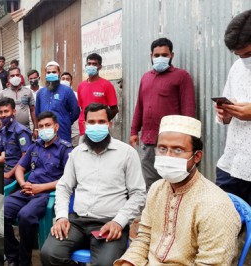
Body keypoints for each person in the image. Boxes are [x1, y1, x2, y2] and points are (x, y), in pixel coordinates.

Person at [114, 115, 241, 265]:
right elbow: (144, 237)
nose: (168, 156)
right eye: (162, 148)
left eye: (178, 150)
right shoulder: (157, 189)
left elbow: (211, 263)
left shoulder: (216, 206)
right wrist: (128, 262)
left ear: (197, 156)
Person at [41, 103, 146, 266]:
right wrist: (61, 216)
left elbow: (139, 194)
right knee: (50, 253)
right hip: (77, 222)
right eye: (91, 122)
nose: (96, 126)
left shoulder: (127, 153)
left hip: (109, 223)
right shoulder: (76, 154)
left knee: (105, 263)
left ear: (109, 124)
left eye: (101, 122)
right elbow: (64, 187)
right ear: (84, 124)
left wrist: (119, 221)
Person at [4, 111, 73, 266]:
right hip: (26, 190)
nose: (43, 129)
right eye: (40, 126)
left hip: (47, 194)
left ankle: (24, 260)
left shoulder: (65, 149)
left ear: (56, 127)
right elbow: (20, 169)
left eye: (47, 125)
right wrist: (22, 183)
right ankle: (12, 255)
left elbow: (68, 179)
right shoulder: (35, 147)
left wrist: (40, 188)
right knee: (0, 212)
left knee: (25, 216)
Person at [130, 37, 196, 190]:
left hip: (172, 143)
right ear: (151, 56)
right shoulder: (146, 77)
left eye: (164, 55)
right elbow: (140, 106)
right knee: (150, 183)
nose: (160, 58)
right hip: (148, 140)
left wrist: (187, 139)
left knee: (174, 181)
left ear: (171, 55)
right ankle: (154, 211)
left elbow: (188, 109)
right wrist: (134, 131)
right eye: (157, 55)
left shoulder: (181, 76)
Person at [214, 10, 251, 205]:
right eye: (239, 55)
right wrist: (225, 114)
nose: (245, 60)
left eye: (249, 54)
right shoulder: (237, 68)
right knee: (224, 226)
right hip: (232, 165)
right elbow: (225, 113)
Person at [77, 53, 118, 143]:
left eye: (94, 64)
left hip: (100, 131)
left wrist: (102, 122)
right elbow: (82, 107)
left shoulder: (107, 85)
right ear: (86, 65)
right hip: (84, 130)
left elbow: (114, 109)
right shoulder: (81, 86)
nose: (91, 66)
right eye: (89, 63)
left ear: (100, 67)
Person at [35, 61, 80, 143]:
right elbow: (37, 113)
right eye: (48, 72)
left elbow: (75, 112)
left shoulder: (67, 91)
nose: (51, 74)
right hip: (45, 132)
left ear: (59, 73)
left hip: (62, 132)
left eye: (54, 72)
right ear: (45, 74)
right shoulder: (40, 93)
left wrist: (65, 120)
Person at [0, 67, 38, 136]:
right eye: (12, 76)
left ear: (20, 76)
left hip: (25, 129)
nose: (15, 77)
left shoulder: (28, 92)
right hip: (8, 130)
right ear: (8, 78)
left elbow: (33, 110)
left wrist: (35, 128)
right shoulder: (3, 93)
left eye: (17, 75)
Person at [61, 72, 80, 147]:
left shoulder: (77, 95)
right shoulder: (57, 95)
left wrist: (68, 121)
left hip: (75, 132)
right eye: (63, 79)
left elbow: (77, 112)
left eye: (67, 79)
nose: (65, 80)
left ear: (71, 81)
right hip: (62, 131)